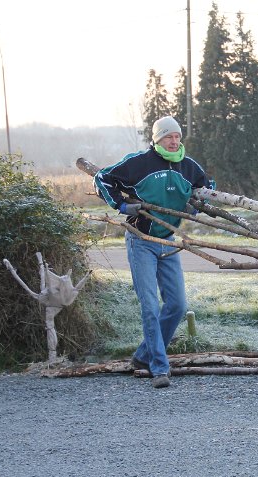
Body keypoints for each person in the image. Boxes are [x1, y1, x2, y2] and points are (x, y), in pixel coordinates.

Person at [94, 116, 214, 388]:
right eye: (168, 137)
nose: (174, 141)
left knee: (177, 305)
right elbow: (102, 178)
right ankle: (159, 368)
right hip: (141, 241)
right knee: (150, 305)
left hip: (168, 242)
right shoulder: (139, 163)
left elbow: (207, 187)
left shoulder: (188, 166)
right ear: (157, 139)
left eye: (177, 137)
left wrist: (196, 204)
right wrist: (122, 207)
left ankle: (142, 355)